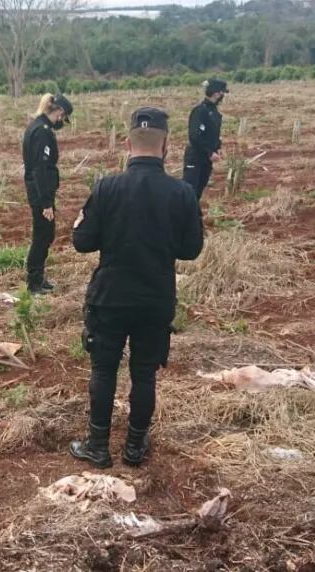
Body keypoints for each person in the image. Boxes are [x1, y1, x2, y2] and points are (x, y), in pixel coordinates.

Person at [69, 107, 204, 468]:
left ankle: (97, 445)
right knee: (144, 374)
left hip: (111, 296)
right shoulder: (182, 193)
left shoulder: (107, 187)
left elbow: (81, 241)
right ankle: (134, 447)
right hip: (155, 297)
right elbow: (191, 250)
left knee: (103, 369)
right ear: (166, 148)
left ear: (127, 144)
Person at [22, 93, 73, 295]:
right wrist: (46, 203)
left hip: (40, 191)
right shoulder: (42, 131)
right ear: (59, 112)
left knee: (45, 234)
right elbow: (41, 168)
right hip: (40, 193)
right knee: (42, 236)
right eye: (63, 117)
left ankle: (39, 278)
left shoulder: (36, 125)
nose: (62, 121)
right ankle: (34, 283)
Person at [182, 78, 228, 200]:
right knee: (189, 192)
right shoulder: (200, 111)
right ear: (216, 93)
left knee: (198, 192)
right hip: (195, 158)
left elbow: (213, 135)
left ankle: (193, 217)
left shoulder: (215, 113)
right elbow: (195, 136)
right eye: (222, 92)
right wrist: (209, 152)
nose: (223, 96)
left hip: (206, 160)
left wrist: (217, 148)